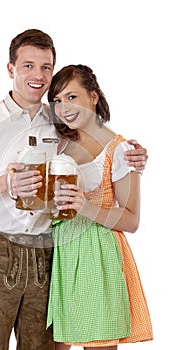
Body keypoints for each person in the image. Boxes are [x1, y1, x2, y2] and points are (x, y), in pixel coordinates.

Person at [0, 28, 148, 350]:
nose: (38, 75)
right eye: (28, 66)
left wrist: (134, 155)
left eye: (45, 67)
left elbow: (99, 151)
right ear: (11, 69)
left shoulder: (58, 124)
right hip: (0, 251)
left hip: (49, 253)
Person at [45, 64, 153, 349]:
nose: (63, 107)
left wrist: (83, 205)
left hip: (98, 254)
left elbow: (131, 220)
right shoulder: (58, 145)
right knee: (54, 344)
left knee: (99, 343)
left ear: (93, 97)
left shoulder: (121, 150)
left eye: (72, 97)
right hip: (60, 255)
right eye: (56, 100)